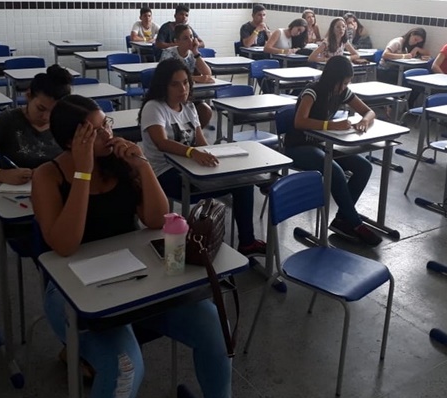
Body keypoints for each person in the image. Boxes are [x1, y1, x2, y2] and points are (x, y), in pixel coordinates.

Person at [32, 95, 231, 398]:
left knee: (217, 331)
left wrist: (142, 165)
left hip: (136, 279)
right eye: (95, 131)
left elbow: (156, 219)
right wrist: (83, 172)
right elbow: (65, 245)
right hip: (72, 293)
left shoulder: (118, 164)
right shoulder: (48, 176)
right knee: (125, 368)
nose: (107, 135)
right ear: (72, 141)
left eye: (106, 125)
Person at [139, 58, 266, 256]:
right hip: (164, 174)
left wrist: (215, 159)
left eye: (185, 82)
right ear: (163, 86)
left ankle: (247, 242)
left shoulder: (189, 107)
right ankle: (241, 241)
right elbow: (161, 143)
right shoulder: (154, 107)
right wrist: (192, 152)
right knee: (241, 184)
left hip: (192, 168)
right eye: (175, 84)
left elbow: (200, 142)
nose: (183, 89)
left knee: (243, 181)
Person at [284, 56, 381, 246]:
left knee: (364, 167)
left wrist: (364, 121)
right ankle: (355, 223)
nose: (345, 87)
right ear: (332, 78)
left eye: (347, 83)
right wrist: (330, 125)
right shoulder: (312, 91)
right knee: (335, 171)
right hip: (298, 146)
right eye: (343, 83)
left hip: (322, 145)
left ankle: (343, 219)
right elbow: (299, 121)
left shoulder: (341, 92)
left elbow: (369, 112)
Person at [0, 65, 73, 184]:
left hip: (57, 187)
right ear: (28, 96)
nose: (46, 117)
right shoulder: (7, 120)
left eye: (54, 111)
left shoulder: (65, 123)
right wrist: (1, 174)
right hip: (17, 189)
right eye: (41, 108)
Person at [160, 24, 214, 128]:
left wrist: (196, 52)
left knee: (206, 111)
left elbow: (208, 73)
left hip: (187, 95)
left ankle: (193, 134)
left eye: (191, 36)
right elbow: (170, 77)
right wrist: (196, 78)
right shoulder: (168, 53)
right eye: (185, 38)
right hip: (170, 96)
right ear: (177, 41)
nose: (190, 41)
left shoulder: (192, 54)